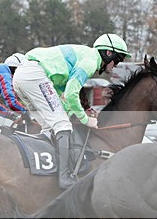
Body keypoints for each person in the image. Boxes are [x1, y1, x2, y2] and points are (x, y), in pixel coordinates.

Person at [13, 33, 131, 189]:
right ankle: (65, 177)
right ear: (108, 53)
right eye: (118, 59)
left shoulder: (81, 58)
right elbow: (71, 93)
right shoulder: (90, 61)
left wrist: (71, 113)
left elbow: (63, 97)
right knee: (63, 125)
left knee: (50, 126)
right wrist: (85, 119)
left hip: (22, 77)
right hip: (34, 75)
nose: (116, 65)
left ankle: (47, 171)